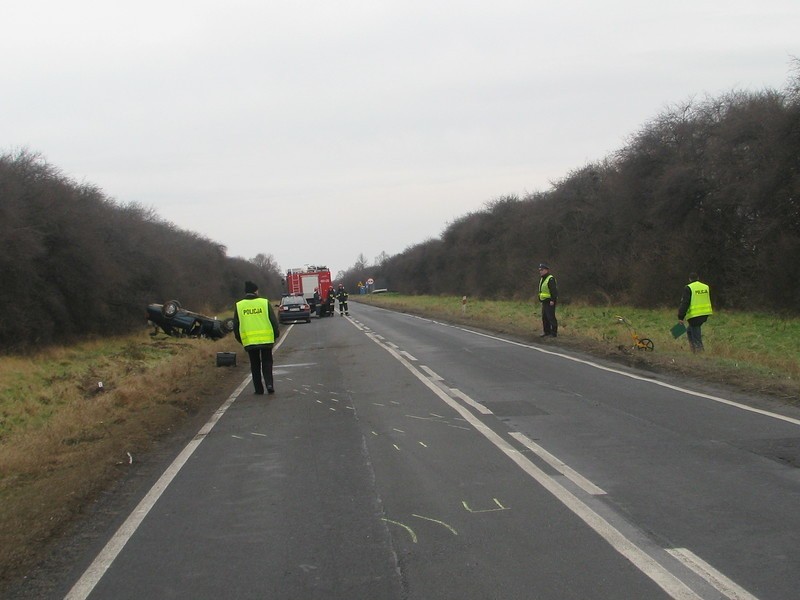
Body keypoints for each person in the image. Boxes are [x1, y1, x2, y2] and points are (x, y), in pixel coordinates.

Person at [234, 281, 280, 394]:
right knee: (267, 363)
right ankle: (269, 384)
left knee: (254, 365)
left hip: (249, 341)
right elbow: (273, 321)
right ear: (255, 291)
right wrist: (275, 334)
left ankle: (258, 389)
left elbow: (236, 326)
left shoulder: (239, 306)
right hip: (266, 340)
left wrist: (241, 340)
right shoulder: (264, 302)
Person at [677, 272, 713, 352]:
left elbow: (685, 303)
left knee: (696, 333)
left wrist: (681, 317)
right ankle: (693, 350)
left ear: (689, 279)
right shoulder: (706, 287)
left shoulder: (688, 288)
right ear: (698, 278)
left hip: (695, 315)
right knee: (690, 330)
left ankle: (700, 351)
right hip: (705, 313)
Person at [537, 263, 558, 337]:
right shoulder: (543, 278)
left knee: (551, 317)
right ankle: (546, 331)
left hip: (550, 301)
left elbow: (553, 290)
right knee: (544, 317)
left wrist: (552, 300)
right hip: (544, 301)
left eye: (542, 270)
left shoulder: (550, 279)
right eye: (540, 270)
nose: (540, 271)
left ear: (546, 270)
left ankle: (554, 333)